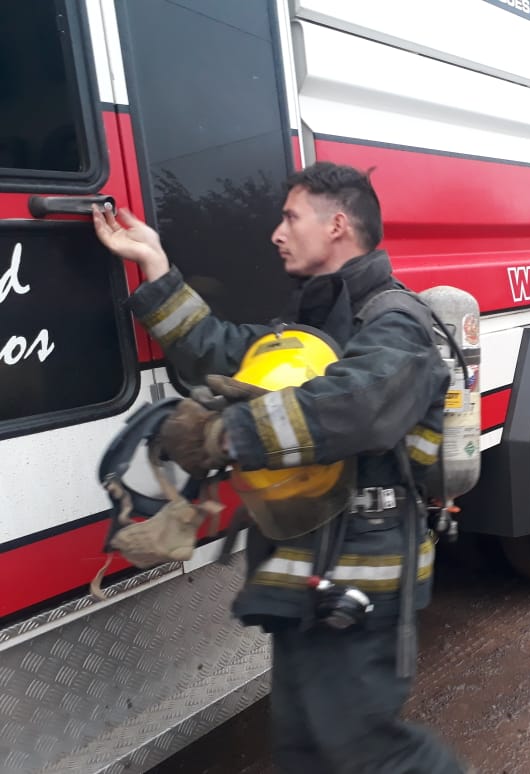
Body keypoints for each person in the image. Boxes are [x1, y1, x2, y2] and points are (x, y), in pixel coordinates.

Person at [92, 162, 464, 773]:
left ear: (337, 225)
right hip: (306, 573)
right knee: (304, 750)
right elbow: (218, 349)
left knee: (364, 752)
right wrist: (154, 265)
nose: (276, 233)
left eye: (291, 217)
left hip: (362, 577)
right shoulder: (313, 323)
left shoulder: (395, 323)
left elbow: (355, 406)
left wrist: (226, 434)